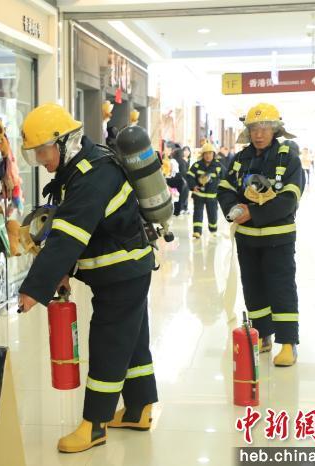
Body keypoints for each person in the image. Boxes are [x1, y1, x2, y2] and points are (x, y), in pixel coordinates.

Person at [17, 103, 158, 454]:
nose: (41, 161)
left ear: (64, 142)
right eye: (35, 154)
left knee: (109, 344)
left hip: (122, 272)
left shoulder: (93, 174)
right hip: (126, 269)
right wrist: (64, 272)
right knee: (132, 341)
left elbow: (68, 236)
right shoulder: (78, 169)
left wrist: (34, 288)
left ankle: (94, 425)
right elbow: (78, 229)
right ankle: (139, 409)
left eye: (43, 151)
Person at [217, 103, 304, 367]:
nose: (259, 134)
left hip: (278, 239)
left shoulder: (288, 159)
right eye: (254, 128)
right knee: (253, 287)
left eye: (265, 128)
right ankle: (263, 335)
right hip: (247, 239)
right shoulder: (240, 159)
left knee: (281, 288)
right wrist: (235, 210)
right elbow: (224, 189)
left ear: (276, 129)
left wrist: (253, 213)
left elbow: (289, 199)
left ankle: (288, 343)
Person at [187, 143, 223, 238]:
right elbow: (189, 176)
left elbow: (225, 179)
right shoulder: (197, 165)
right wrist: (193, 186)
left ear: (213, 154)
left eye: (210, 153)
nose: (208, 155)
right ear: (202, 155)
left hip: (212, 196)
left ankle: (213, 230)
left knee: (213, 214)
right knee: (197, 213)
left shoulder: (218, 166)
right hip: (199, 195)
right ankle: (197, 231)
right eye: (206, 153)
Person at [171, 147, 189, 216]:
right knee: (182, 196)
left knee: (176, 196)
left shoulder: (173, 161)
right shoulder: (183, 161)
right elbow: (185, 172)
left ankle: (176, 210)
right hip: (184, 181)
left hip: (175, 181)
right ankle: (182, 209)